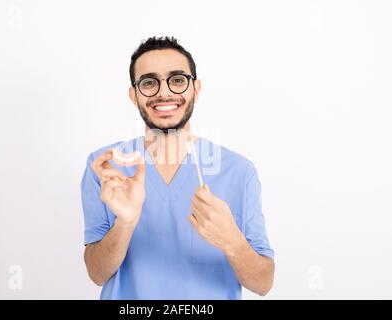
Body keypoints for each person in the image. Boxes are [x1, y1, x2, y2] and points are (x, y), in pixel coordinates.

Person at [81, 36, 274, 299]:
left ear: (196, 89)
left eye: (178, 80)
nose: (164, 92)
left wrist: (232, 241)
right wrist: (125, 223)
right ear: (133, 95)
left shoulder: (239, 172)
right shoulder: (107, 166)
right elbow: (97, 273)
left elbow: (263, 283)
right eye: (149, 82)